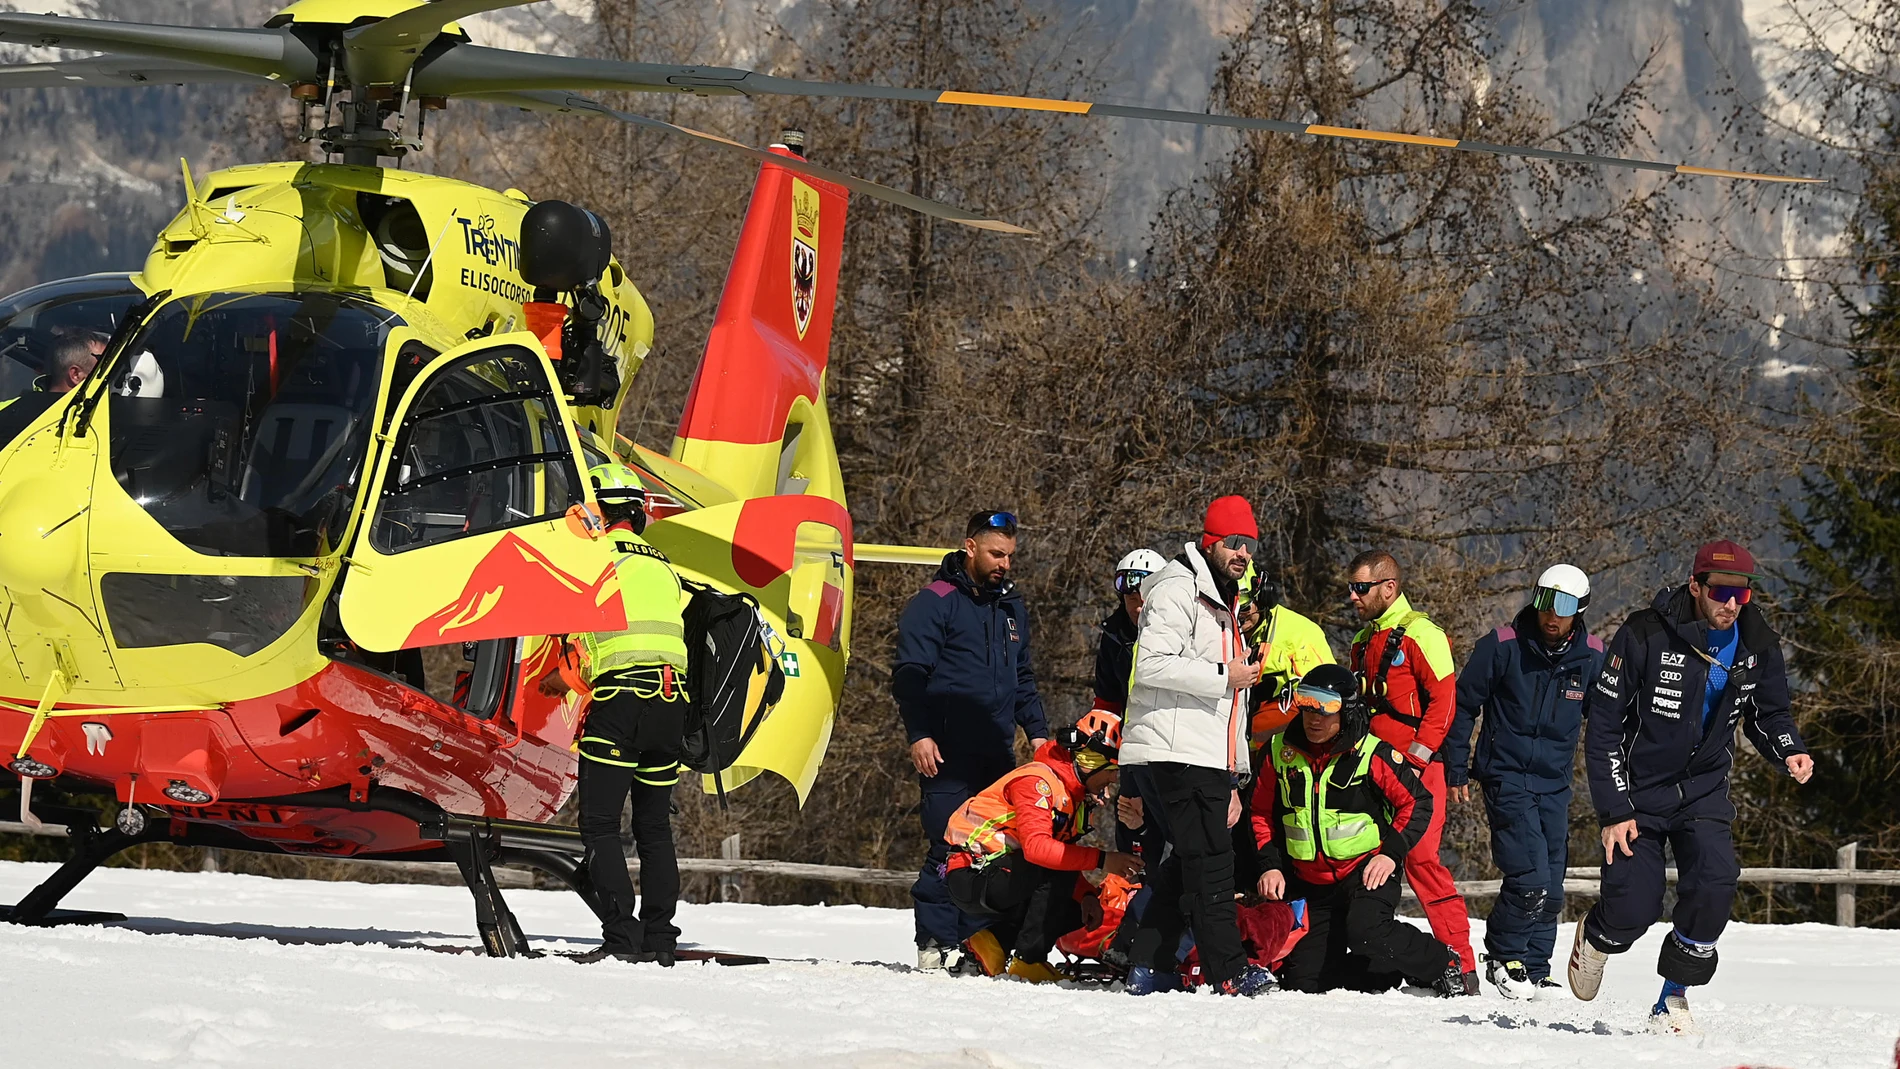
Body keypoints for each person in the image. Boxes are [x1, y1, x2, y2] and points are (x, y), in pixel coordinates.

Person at [1570, 540, 1815, 1033]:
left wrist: (1789, 748)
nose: (1731, 604)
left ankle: (1671, 997)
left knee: (1715, 886)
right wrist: (1615, 809)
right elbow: (1603, 726)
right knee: (1631, 912)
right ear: (1696, 586)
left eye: (1741, 595)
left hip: (1703, 792)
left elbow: (1770, 713)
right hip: (1638, 795)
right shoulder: (1645, 633)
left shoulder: (1757, 644)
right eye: (1721, 591)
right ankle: (1597, 938)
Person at [1119, 494, 1271, 997]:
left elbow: (1233, 706)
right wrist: (1228, 673)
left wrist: (1236, 775)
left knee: (1190, 858)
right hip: (1175, 747)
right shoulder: (1177, 587)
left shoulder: (1221, 598)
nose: (1242, 553)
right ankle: (1229, 971)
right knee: (1213, 861)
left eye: (1248, 545)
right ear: (1210, 542)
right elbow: (1152, 666)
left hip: (1206, 753)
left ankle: (1149, 963)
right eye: (1233, 543)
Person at [541, 464, 690, 966]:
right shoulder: (664, 565)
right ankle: (661, 940)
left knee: (601, 825)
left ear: (598, 513)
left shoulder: (592, 558)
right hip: (672, 705)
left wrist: (557, 683)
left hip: (622, 703)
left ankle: (622, 939)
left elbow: (577, 645)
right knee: (654, 829)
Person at [892, 510, 1049, 970]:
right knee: (949, 843)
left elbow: (1023, 679)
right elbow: (909, 675)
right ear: (970, 547)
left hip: (996, 752)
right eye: (996, 553)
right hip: (946, 750)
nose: (1004, 563)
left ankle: (982, 941)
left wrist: (1038, 736)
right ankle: (933, 942)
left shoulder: (1011, 606)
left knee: (999, 847)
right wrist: (919, 734)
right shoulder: (935, 600)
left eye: (1010, 556)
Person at [1251, 665, 1464, 996]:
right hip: (1311, 883)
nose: (1314, 717)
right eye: (1306, 703)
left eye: (1326, 706)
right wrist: (1270, 865)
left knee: (1368, 932)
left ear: (1346, 709)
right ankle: (1386, 971)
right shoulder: (1279, 751)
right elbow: (1260, 812)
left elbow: (1418, 803)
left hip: (1366, 874)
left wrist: (1391, 855)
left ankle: (1442, 963)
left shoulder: (1372, 753)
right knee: (1305, 985)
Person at [1445, 564, 1606, 999]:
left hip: (1554, 783)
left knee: (1552, 881)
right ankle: (1503, 954)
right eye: (1546, 601)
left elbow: (1609, 720)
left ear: (1581, 609)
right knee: (1530, 874)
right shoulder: (1502, 647)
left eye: (1566, 606)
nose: (1553, 615)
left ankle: (1536, 966)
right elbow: (1462, 707)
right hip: (1505, 775)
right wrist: (1455, 766)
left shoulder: (1592, 656)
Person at [1346, 549, 1476, 993]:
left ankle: (1462, 966)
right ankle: (1373, 962)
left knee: (1421, 861)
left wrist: (1416, 759)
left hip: (1418, 771)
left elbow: (1445, 702)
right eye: (1350, 588)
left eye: (1361, 588)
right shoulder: (1362, 642)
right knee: (1362, 858)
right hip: (1373, 771)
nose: (1353, 596)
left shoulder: (1422, 634)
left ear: (1389, 587)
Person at [946, 709, 1143, 982]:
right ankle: (1029, 960)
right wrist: (1103, 860)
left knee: (1075, 908)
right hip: (972, 872)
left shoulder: (1070, 793)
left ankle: (991, 944)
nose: (1112, 781)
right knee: (1052, 862)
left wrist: (1086, 895)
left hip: (1001, 871)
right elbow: (1038, 850)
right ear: (1091, 761)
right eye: (1111, 771)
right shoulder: (1038, 781)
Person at [1095, 549, 1165, 715]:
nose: (1138, 608)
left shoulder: (1182, 633)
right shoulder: (1114, 637)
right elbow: (1106, 701)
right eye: (1132, 599)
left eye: (1145, 600)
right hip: (1130, 735)